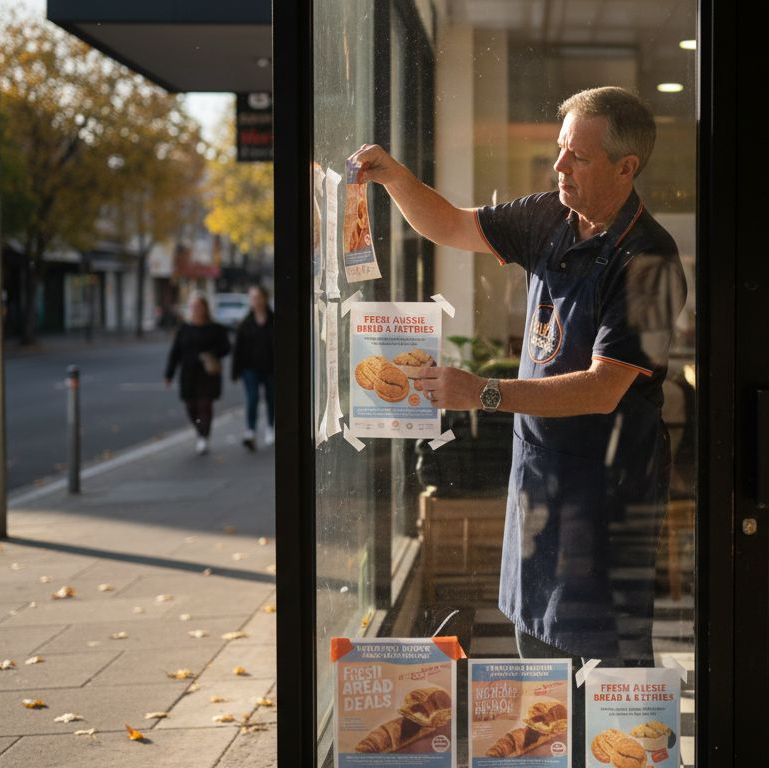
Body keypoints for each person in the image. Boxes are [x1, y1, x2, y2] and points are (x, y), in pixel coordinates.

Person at [350, 86, 686, 673]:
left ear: (626, 166)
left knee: (605, 661)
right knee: (538, 648)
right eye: (560, 149)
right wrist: (395, 178)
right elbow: (452, 225)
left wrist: (483, 391)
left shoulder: (651, 263)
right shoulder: (551, 217)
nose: (559, 166)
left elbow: (602, 387)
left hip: (605, 493)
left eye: (577, 157)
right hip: (539, 474)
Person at [165, 294, 232, 455]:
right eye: (193, 307)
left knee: (205, 405)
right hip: (188, 373)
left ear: (205, 308)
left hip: (207, 374)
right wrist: (169, 374)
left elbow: (227, 347)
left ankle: (204, 436)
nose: (195, 310)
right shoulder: (184, 329)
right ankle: (199, 429)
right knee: (191, 407)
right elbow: (175, 352)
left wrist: (211, 354)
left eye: (198, 306)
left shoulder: (215, 329)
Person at [231, 286, 276, 451]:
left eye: (258, 297)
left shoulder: (274, 321)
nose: (255, 301)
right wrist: (235, 372)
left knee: (272, 398)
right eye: (252, 298)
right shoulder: (245, 324)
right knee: (252, 398)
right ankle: (250, 432)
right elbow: (238, 350)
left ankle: (270, 428)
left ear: (264, 298)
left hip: (271, 367)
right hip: (250, 368)